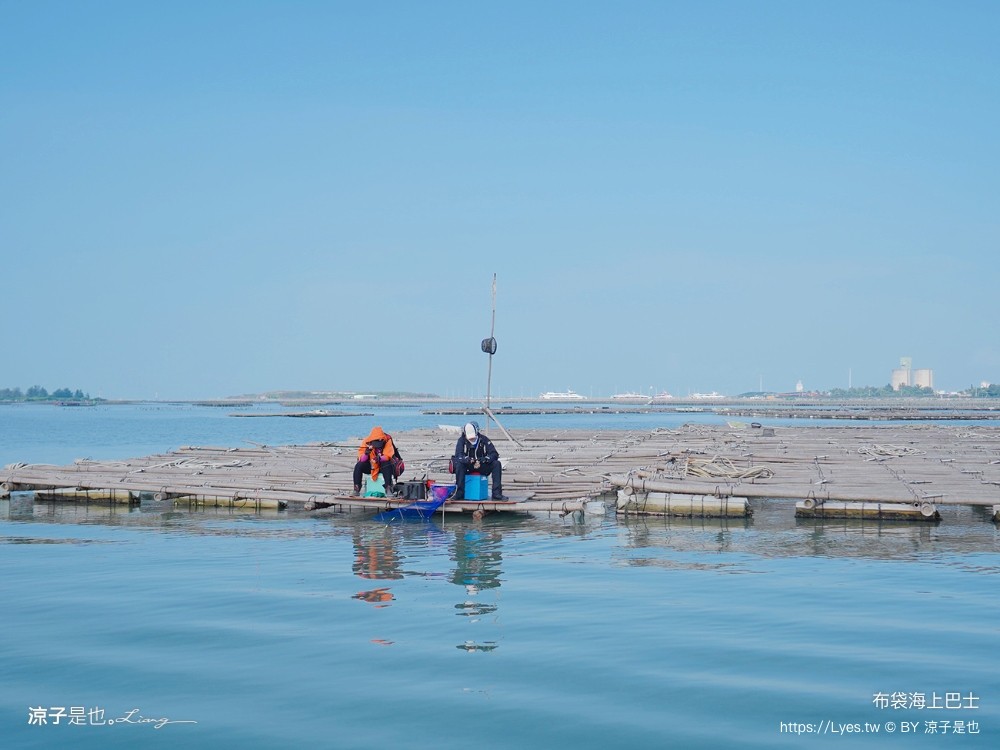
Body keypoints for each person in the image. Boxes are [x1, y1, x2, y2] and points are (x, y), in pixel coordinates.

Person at [452, 421, 507, 500]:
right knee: (459, 465)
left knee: (497, 464)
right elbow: (459, 455)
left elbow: (494, 454)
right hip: (468, 466)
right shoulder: (461, 440)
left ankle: (496, 493)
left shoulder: (484, 439)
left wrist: (485, 459)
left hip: (482, 465)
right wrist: (467, 459)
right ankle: (459, 493)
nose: (471, 438)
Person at [353, 426, 402, 496]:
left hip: (383, 467)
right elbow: (362, 459)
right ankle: (356, 488)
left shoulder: (387, 440)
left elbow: (388, 456)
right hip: (371, 466)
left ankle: (388, 488)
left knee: (386, 463)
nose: (378, 446)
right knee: (359, 465)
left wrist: (379, 459)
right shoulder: (366, 442)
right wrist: (367, 453)